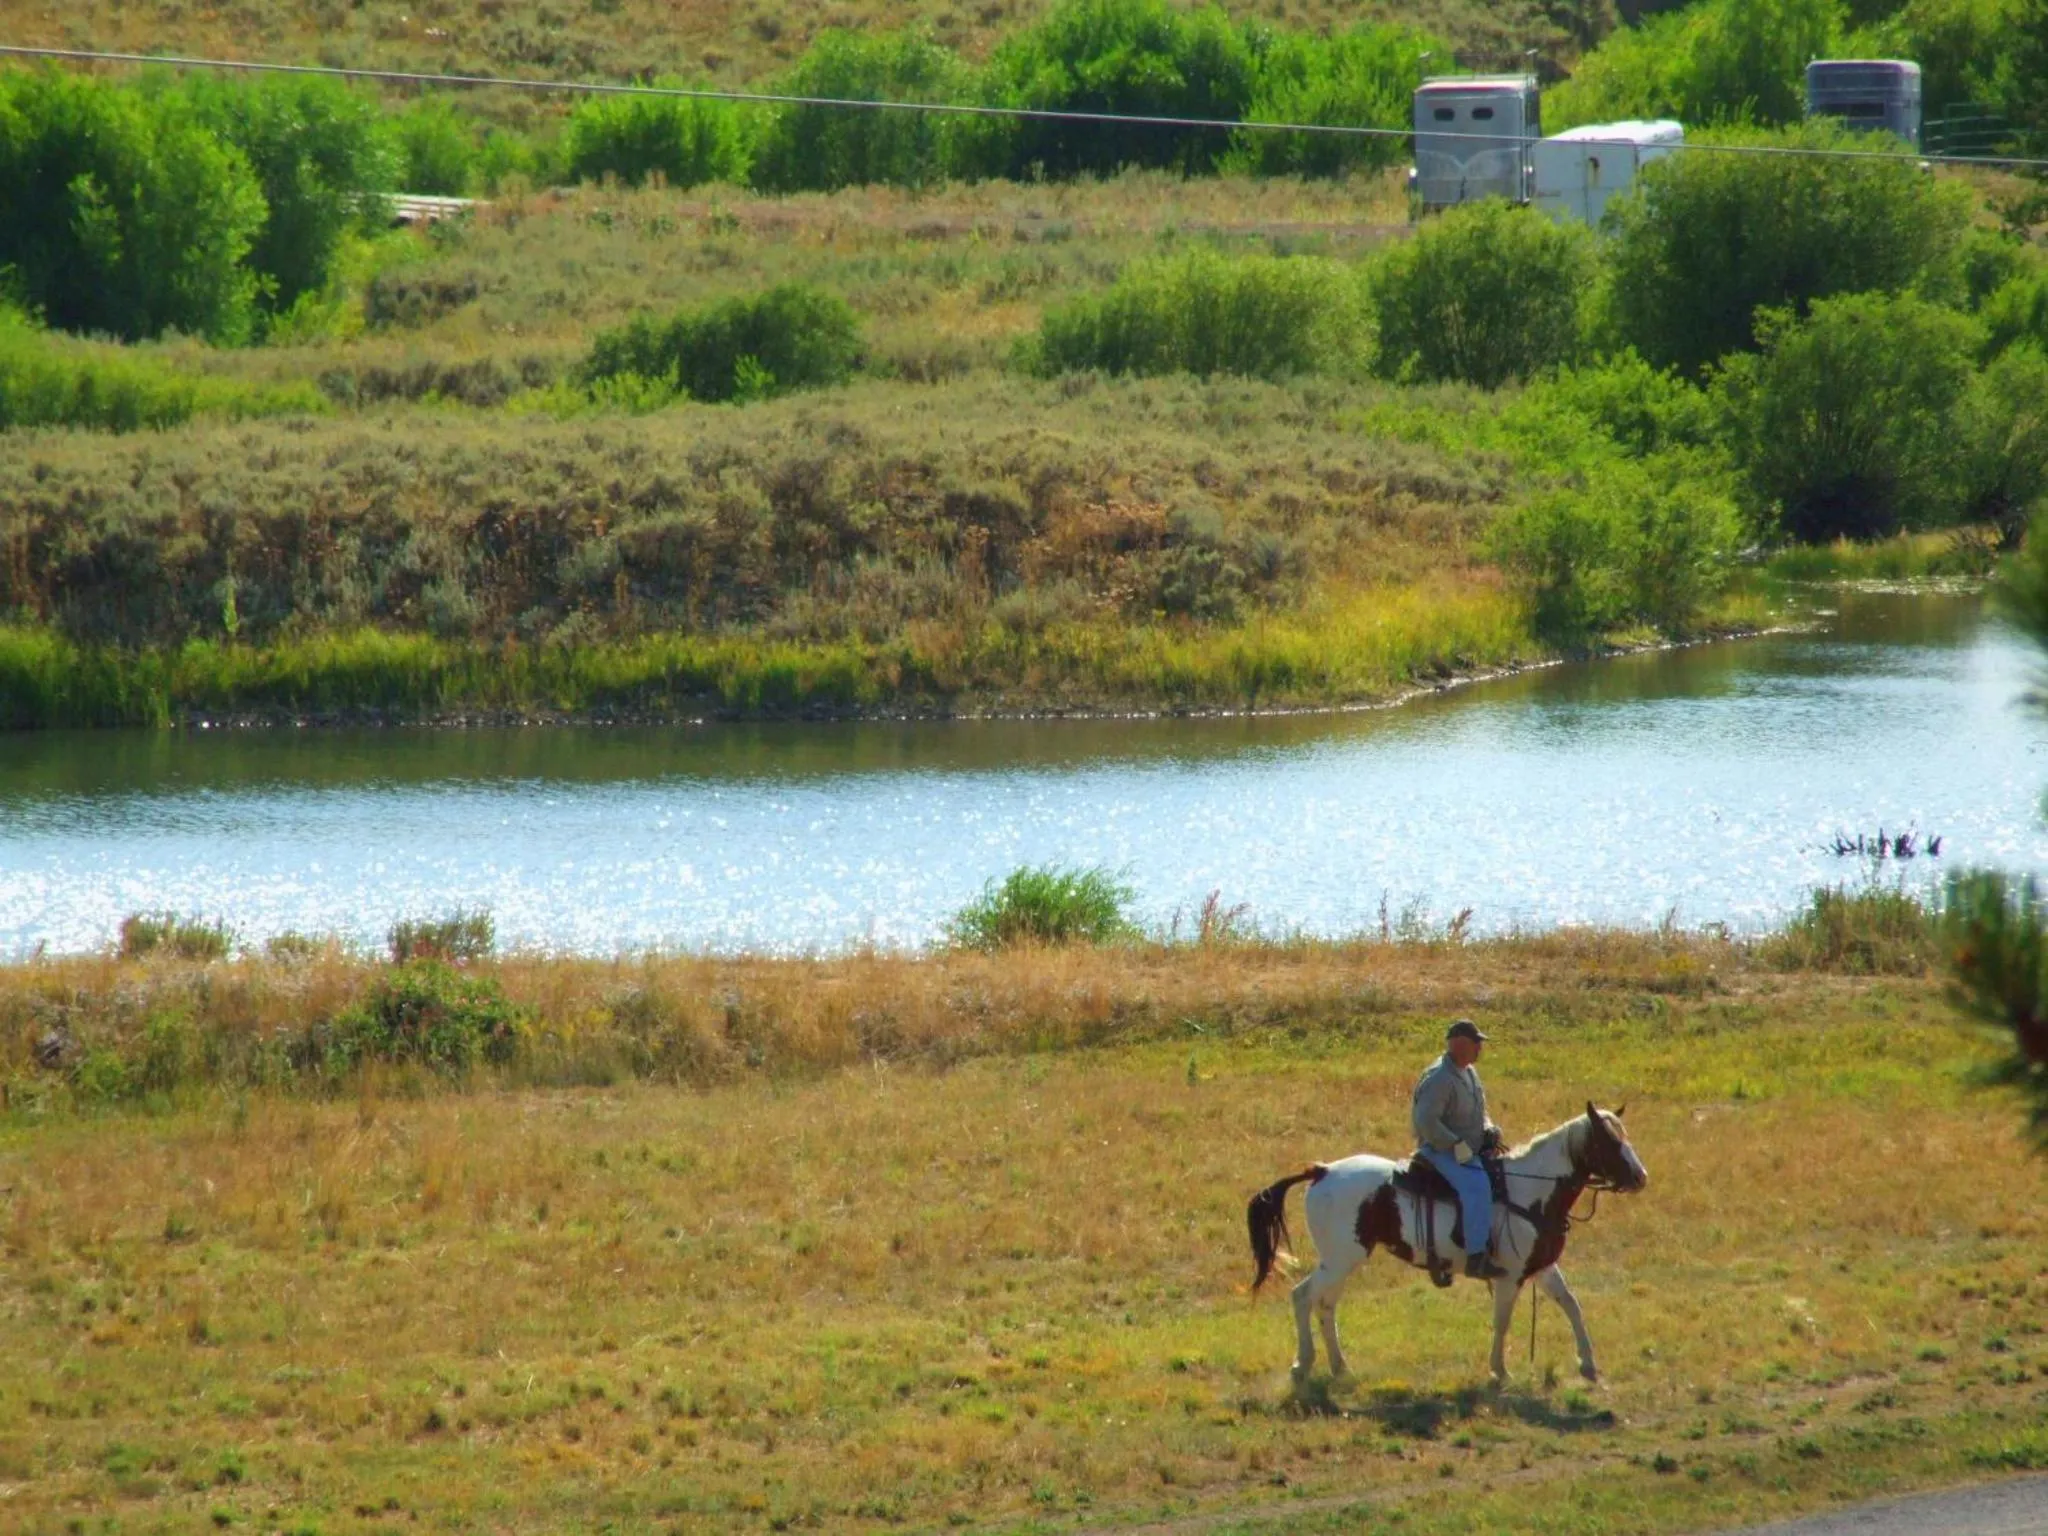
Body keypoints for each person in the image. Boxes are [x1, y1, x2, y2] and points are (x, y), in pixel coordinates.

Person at [1411, 1018, 1507, 1279]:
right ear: (1461, 1045)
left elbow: (1480, 1110)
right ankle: (1476, 1256)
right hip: (1439, 1150)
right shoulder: (1440, 1078)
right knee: (1476, 1183)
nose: (1480, 1048)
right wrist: (1455, 1144)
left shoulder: (1469, 1072)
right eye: (1477, 1043)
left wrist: (1488, 1128)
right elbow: (1426, 1121)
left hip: (1468, 1148)